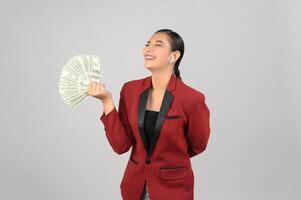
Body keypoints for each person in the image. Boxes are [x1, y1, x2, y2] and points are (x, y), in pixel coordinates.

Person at [88, 29, 211, 200]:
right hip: (134, 186)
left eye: (157, 45)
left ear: (174, 56)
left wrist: (169, 160)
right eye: (147, 44)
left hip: (173, 190)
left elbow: (198, 145)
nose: (148, 49)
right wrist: (106, 101)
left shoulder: (192, 98)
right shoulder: (130, 90)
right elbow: (121, 146)